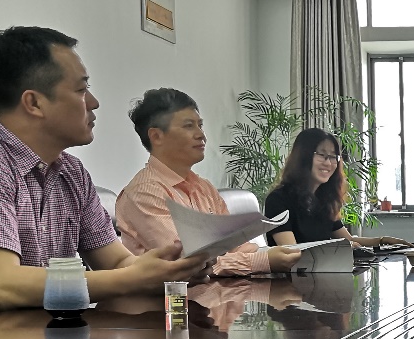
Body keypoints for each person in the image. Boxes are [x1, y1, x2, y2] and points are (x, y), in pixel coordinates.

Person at [0, 27, 207, 329]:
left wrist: (167, 269)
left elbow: (116, 263)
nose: (94, 102)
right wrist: (133, 278)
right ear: (34, 103)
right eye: (81, 90)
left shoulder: (71, 172)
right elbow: (0, 286)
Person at [116, 89, 302, 275]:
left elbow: (237, 246)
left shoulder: (204, 187)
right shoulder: (144, 193)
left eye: (200, 125)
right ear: (157, 136)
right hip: (173, 293)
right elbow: (186, 261)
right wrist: (262, 261)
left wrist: (269, 255)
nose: (201, 135)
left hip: (222, 289)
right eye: (189, 126)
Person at [264, 128, 414, 249]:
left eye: (333, 156)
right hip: (291, 277)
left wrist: (383, 241)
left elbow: (348, 240)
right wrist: (339, 247)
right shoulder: (278, 200)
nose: (329, 163)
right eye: (322, 155)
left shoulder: (322, 200)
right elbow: (291, 251)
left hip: (324, 273)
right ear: (303, 157)